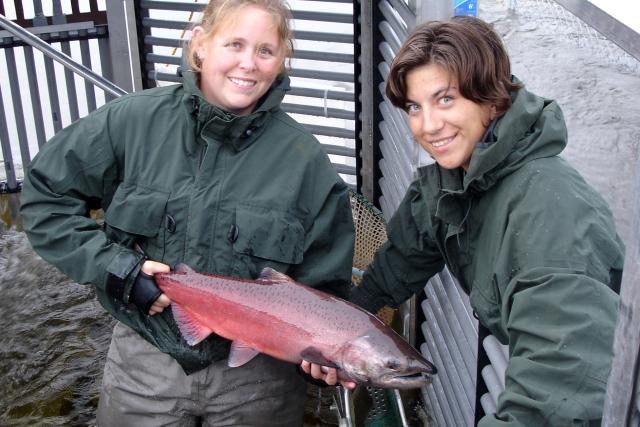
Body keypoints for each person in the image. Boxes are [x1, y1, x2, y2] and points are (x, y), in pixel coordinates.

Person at [20, 0, 355, 425]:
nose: (249, 64)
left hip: (260, 383)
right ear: (201, 46)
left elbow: (326, 292)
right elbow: (45, 197)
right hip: (144, 361)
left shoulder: (307, 162)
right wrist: (116, 268)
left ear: (281, 60)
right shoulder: (131, 122)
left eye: (266, 51)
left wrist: (324, 359)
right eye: (235, 44)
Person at [302, 15, 624, 426]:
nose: (428, 126)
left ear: (493, 98)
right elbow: (394, 267)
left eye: (446, 99)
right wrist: (338, 338)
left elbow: (555, 403)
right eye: (416, 107)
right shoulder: (451, 180)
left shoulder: (552, 217)